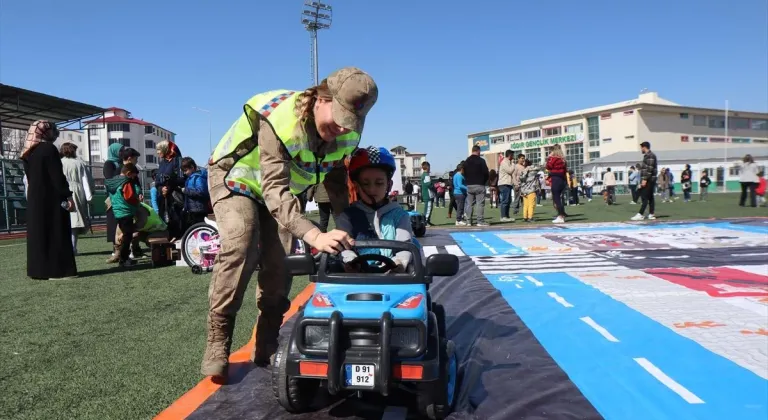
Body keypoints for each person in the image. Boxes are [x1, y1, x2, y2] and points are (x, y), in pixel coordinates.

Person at [201, 67, 378, 380]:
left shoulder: (346, 132)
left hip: (281, 194)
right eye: (337, 116)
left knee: (282, 260)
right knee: (241, 243)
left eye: (348, 120)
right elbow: (274, 191)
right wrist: (314, 235)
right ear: (320, 98)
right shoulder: (282, 118)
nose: (341, 127)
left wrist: (351, 237)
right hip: (236, 179)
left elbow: (336, 183)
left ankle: (267, 339)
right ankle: (218, 340)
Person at [335, 146, 415, 273]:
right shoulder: (347, 216)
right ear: (356, 186)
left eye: (379, 183)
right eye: (366, 184)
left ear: (389, 185)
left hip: (393, 278)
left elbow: (404, 248)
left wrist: (399, 263)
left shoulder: (400, 215)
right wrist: (351, 262)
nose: (372, 190)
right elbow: (345, 249)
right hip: (356, 280)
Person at [20, 120, 77, 280]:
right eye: (52, 130)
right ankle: (59, 271)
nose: (55, 133)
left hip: (35, 199)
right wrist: (67, 194)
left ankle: (39, 271)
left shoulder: (28, 152)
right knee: (56, 232)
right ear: (45, 132)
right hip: (52, 199)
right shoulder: (49, 149)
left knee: (39, 234)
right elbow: (57, 176)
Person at [60, 142, 94, 255]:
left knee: (64, 221)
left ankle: (65, 248)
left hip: (61, 191)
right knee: (75, 221)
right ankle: (73, 248)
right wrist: (89, 196)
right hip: (77, 192)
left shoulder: (59, 162)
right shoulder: (79, 163)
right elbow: (86, 180)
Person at [105, 163, 142, 267]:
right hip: (126, 211)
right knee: (127, 236)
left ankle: (122, 257)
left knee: (125, 234)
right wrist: (137, 201)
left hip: (117, 211)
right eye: (133, 176)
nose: (133, 178)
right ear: (129, 173)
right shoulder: (126, 182)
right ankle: (124, 259)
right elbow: (129, 197)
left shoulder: (114, 182)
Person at [103, 143, 125, 247]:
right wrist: (121, 173)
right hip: (113, 197)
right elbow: (110, 180)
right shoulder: (109, 164)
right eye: (120, 151)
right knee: (114, 222)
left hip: (124, 197)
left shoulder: (122, 163)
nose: (122, 153)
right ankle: (115, 247)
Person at [463, 145, 490, 226]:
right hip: (479, 184)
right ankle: (480, 221)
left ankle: (468, 221)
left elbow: (464, 173)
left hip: (469, 185)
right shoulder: (481, 161)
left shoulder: (466, 161)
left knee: (469, 204)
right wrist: (483, 182)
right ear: (478, 151)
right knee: (480, 203)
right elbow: (486, 173)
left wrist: (468, 181)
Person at [181, 157, 210, 228]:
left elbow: (202, 192)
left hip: (199, 210)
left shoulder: (199, 178)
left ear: (192, 167)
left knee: (199, 229)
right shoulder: (191, 178)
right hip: (193, 209)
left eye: (186, 170)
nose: (185, 173)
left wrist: (186, 191)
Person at [632, 141, 658, 221]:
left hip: (649, 180)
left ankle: (640, 214)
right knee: (650, 197)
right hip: (649, 179)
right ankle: (651, 214)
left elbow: (649, 169)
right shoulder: (647, 156)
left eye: (641, 148)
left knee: (644, 197)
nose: (641, 149)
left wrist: (645, 179)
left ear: (644, 147)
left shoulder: (650, 155)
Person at [545, 145, 567, 224]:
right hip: (562, 180)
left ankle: (560, 216)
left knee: (556, 199)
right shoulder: (563, 159)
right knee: (559, 199)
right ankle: (562, 215)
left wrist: (549, 158)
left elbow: (548, 166)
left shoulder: (554, 158)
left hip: (556, 179)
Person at [498, 150, 515, 222]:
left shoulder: (508, 162)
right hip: (504, 183)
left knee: (508, 200)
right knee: (505, 200)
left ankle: (507, 216)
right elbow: (510, 171)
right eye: (513, 155)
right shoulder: (504, 162)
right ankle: (503, 216)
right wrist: (513, 164)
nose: (513, 157)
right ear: (510, 155)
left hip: (508, 183)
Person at [420, 161, 435, 226]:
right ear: (428, 167)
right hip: (428, 194)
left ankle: (427, 220)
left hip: (426, 193)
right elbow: (429, 184)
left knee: (428, 207)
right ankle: (425, 221)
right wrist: (435, 187)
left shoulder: (424, 175)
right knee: (428, 208)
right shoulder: (426, 175)